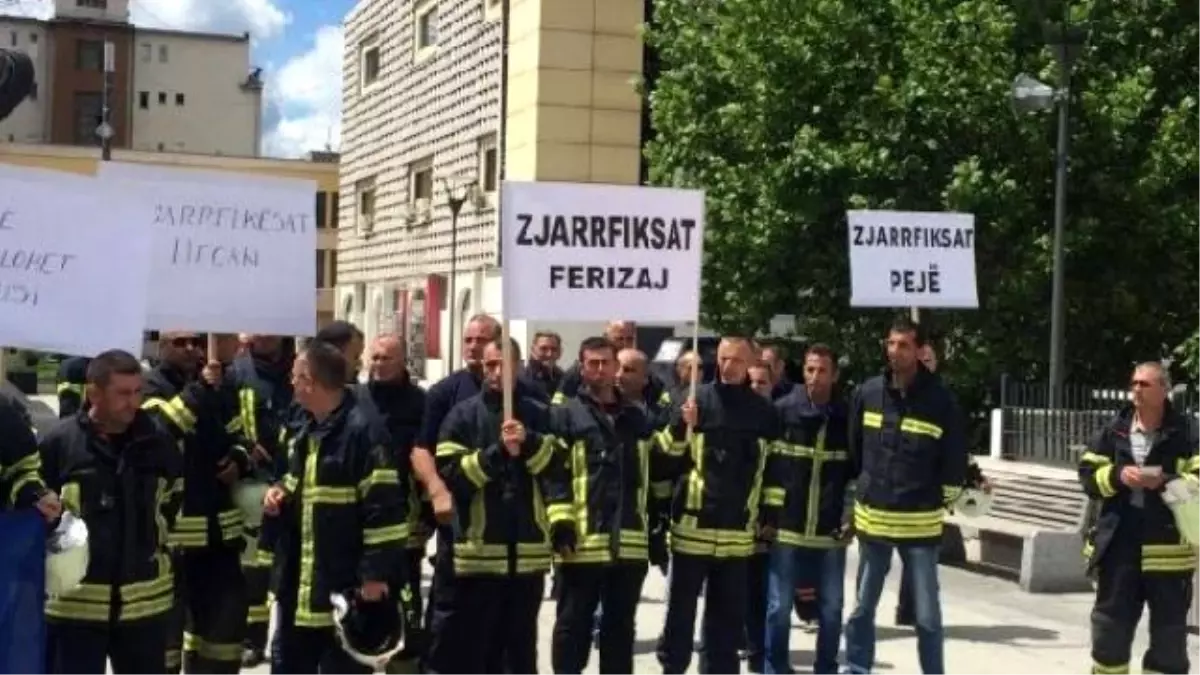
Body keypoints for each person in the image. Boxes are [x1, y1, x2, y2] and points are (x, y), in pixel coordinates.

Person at [425, 337, 574, 675]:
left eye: (503, 364)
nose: (494, 371)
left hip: (528, 557)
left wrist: (530, 442)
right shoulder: (462, 416)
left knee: (521, 655)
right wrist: (496, 454)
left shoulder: (540, 413)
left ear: (518, 366)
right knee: (477, 652)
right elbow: (453, 477)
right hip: (479, 556)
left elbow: (560, 468)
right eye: (489, 364)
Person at [262, 341, 408, 674]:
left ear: (311, 380)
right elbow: (294, 478)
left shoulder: (364, 433)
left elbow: (385, 513)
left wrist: (374, 576)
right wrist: (280, 492)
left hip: (346, 587)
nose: (291, 383)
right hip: (299, 583)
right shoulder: (304, 426)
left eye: (296, 377)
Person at [41, 350, 183, 675]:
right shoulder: (59, 443)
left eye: (138, 392)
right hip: (74, 608)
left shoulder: (159, 443)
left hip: (145, 607)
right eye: (122, 393)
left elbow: (175, 503)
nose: (133, 402)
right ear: (93, 392)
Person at [656, 337, 787, 675]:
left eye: (737, 361)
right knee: (680, 618)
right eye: (724, 359)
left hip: (737, 535)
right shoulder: (692, 400)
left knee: (726, 626)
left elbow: (774, 468)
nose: (728, 366)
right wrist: (680, 426)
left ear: (752, 365)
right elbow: (663, 461)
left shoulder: (764, 413)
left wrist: (771, 512)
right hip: (691, 530)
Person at [843, 317, 966, 675]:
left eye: (904, 345)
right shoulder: (867, 393)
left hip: (920, 527)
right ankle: (857, 668)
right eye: (891, 343)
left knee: (927, 616)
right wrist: (860, 492)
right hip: (873, 522)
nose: (895, 351)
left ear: (920, 350)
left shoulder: (941, 401)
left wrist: (940, 499)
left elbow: (953, 459)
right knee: (863, 608)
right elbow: (855, 451)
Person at [549, 337, 672, 675]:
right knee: (572, 627)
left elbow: (658, 470)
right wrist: (560, 522)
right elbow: (554, 474)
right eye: (593, 363)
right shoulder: (565, 416)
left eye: (607, 362)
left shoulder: (638, 419)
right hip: (581, 544)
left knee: (620, 631)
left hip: (629, 545)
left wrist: (659, 527)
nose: (601, 370)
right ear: (581, 366)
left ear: (617, 367)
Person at [142, 332, 251, 675]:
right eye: (180, 342)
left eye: (196, 342)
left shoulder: (220, 386)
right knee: (164, 648)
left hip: (220, 538)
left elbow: (241, 437)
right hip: (171, 543)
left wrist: (239, 457)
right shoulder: (148, 387)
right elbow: (160, 434)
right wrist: (199, 390)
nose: (191, 349)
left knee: (222, 640)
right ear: (161, 346)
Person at [1079, 361, 1196, 675]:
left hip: (1169, 554)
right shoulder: (1113, 428)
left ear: (1163, 389)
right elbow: (1088, 476)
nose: (1136, 390)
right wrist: (1118, 476)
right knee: (1109, 635)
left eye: (1144, 384)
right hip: (1119, 549)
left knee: (1169, 644)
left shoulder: (1187, 432)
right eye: (1134, 383)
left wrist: (1167, 482)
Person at [763, 344, 852, 675]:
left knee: (831, 608)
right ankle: (776, 668)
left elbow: (856, 473)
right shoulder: (783, 411)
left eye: (823, 370)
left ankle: (826, 667)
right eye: (811, 370)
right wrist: (768, 515)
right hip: (786, 526)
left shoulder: (846, 419)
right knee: (779, 606)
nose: (816, 377)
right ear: (803, 372)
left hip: (830, 530)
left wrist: (849, 514)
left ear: (835, 375)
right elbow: (769, 466)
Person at [894, 343, 992, 628]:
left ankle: (911, 610)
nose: (925, 363)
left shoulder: (943, 399)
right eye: (920, 358)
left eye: (929, 359)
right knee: (905, 554)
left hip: (928, 492)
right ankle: (911, 608)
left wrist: (973, 476)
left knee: (919, 553)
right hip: (898, 488)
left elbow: (956, 445)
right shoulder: (897, 393)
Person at [357, 333, 431, 669]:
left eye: (386, 358)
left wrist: (428, 511)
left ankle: (404, 661)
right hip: (365, 517)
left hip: (407, 518)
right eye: (374, 357)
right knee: (365, 596)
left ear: (403, 361)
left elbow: (427, 456)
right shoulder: (356, 400)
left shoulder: (420, 403)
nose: (378, 364)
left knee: (405, 596)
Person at [227, 333, 297, 666]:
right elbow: (224, 420)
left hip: (298, 477)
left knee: (293, 564)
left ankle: (290, 636)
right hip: (253, 481)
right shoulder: (235, 372)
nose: (264, 334)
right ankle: (252, 638)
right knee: (253, 566)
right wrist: (242, 448)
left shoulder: (301, 368)